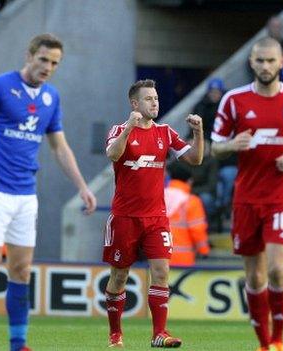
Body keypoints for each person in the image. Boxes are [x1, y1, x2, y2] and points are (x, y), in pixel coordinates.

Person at [0, 33, 97, 351]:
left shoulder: (51, 98)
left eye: (54, 63)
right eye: (44, 59)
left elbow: (59, 147)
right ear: (30, 55)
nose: (48, 67)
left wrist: (82, 186)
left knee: (21, 269)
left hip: (26, 195)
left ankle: (18, 343)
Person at [211, 37, 283, 351]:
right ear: (252, 63)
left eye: (271, 61)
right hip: (246, 198)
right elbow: (216, 146)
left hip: (281, 197)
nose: (265, 66)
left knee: (275, 268)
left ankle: (278, 340)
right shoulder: (234, 100)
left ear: (281, 62)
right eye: (260, 61)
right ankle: (263, 344)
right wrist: (233, 145)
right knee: (255, 277)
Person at [103, 79, 203, 348]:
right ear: (135, 104)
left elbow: (195, 159)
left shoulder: (166, 132)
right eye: (148, 99)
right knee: (119, 276)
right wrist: (129, 129)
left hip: (156, 217)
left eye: (156, 98)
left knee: (161, 271)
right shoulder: (119, 130)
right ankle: (115, 333)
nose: (155, 102)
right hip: (125, 217)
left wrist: (198, 133)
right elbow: (113, 155)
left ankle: (160, 333)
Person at [164, 161, 210, 267]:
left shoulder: (159, 197)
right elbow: (197, 230)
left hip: (158, 259)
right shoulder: (191, 201)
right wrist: (204, 251)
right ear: (189, 181)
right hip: (183, 260)